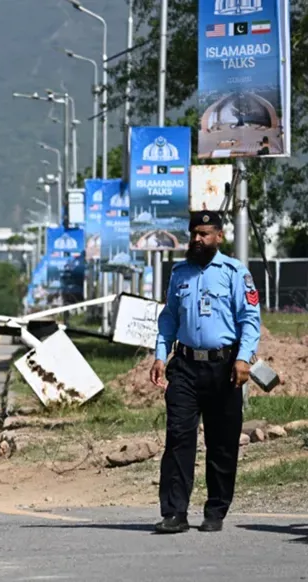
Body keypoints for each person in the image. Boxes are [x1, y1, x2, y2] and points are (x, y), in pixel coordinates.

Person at [150, 210, 261, 534]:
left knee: (222, 442)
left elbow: (250, 321)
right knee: (178, 438)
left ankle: (216, 510)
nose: (198, 240)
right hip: (184, 365)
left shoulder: (234, 272)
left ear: (219, 237)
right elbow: (169, 316)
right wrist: (160, 353)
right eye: (195, 234)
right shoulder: (180, 273)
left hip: (224, 367)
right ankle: (175, 512)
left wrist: (243, 360)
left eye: (205, 234)